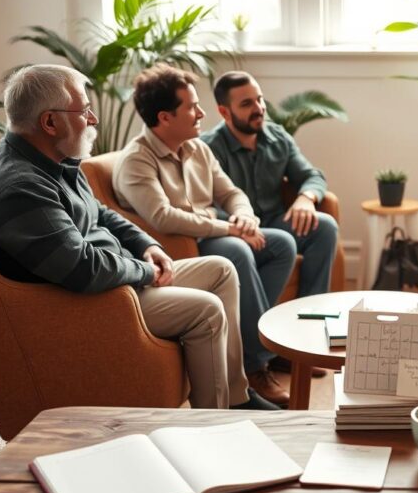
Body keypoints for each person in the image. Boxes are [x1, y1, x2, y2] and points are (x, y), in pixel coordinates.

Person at [0, 64, 277, 411]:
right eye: (84, 110)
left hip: (116, 280)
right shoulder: (20, 186)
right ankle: (212, 423)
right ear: (50, 122)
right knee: (207, 310)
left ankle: (235, 398)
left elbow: (101, 212)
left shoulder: (52, 159)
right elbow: (82, 268)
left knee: (221, 269)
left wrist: (148, 246)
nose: (93, 119)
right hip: (87, 300)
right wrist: (143, 271)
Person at [113, 64, 295, 406]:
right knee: (235, 252)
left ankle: (257, 342)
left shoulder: (197, 148)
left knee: (282, 244)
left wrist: (244, 215)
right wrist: (229, 227)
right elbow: (164, 218)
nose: (201, 113)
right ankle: (255, 365)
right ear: (165, 118)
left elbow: (230, 192)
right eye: (192, 107)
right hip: (177, 245)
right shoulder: (137, 161)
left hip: (208, 231)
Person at [201, 71, 339, 302]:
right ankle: (260, 324)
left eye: (260, 99)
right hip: (235, 230)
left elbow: (312, 175)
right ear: (224, 112)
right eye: (247, 103)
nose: (259, 108)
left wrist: (306, 198)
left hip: (275, 222)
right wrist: (241, 226)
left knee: (325, 227)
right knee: (280, 243)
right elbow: (206, 205)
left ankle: (312, 309)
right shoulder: (208, 148)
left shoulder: (277, 136)